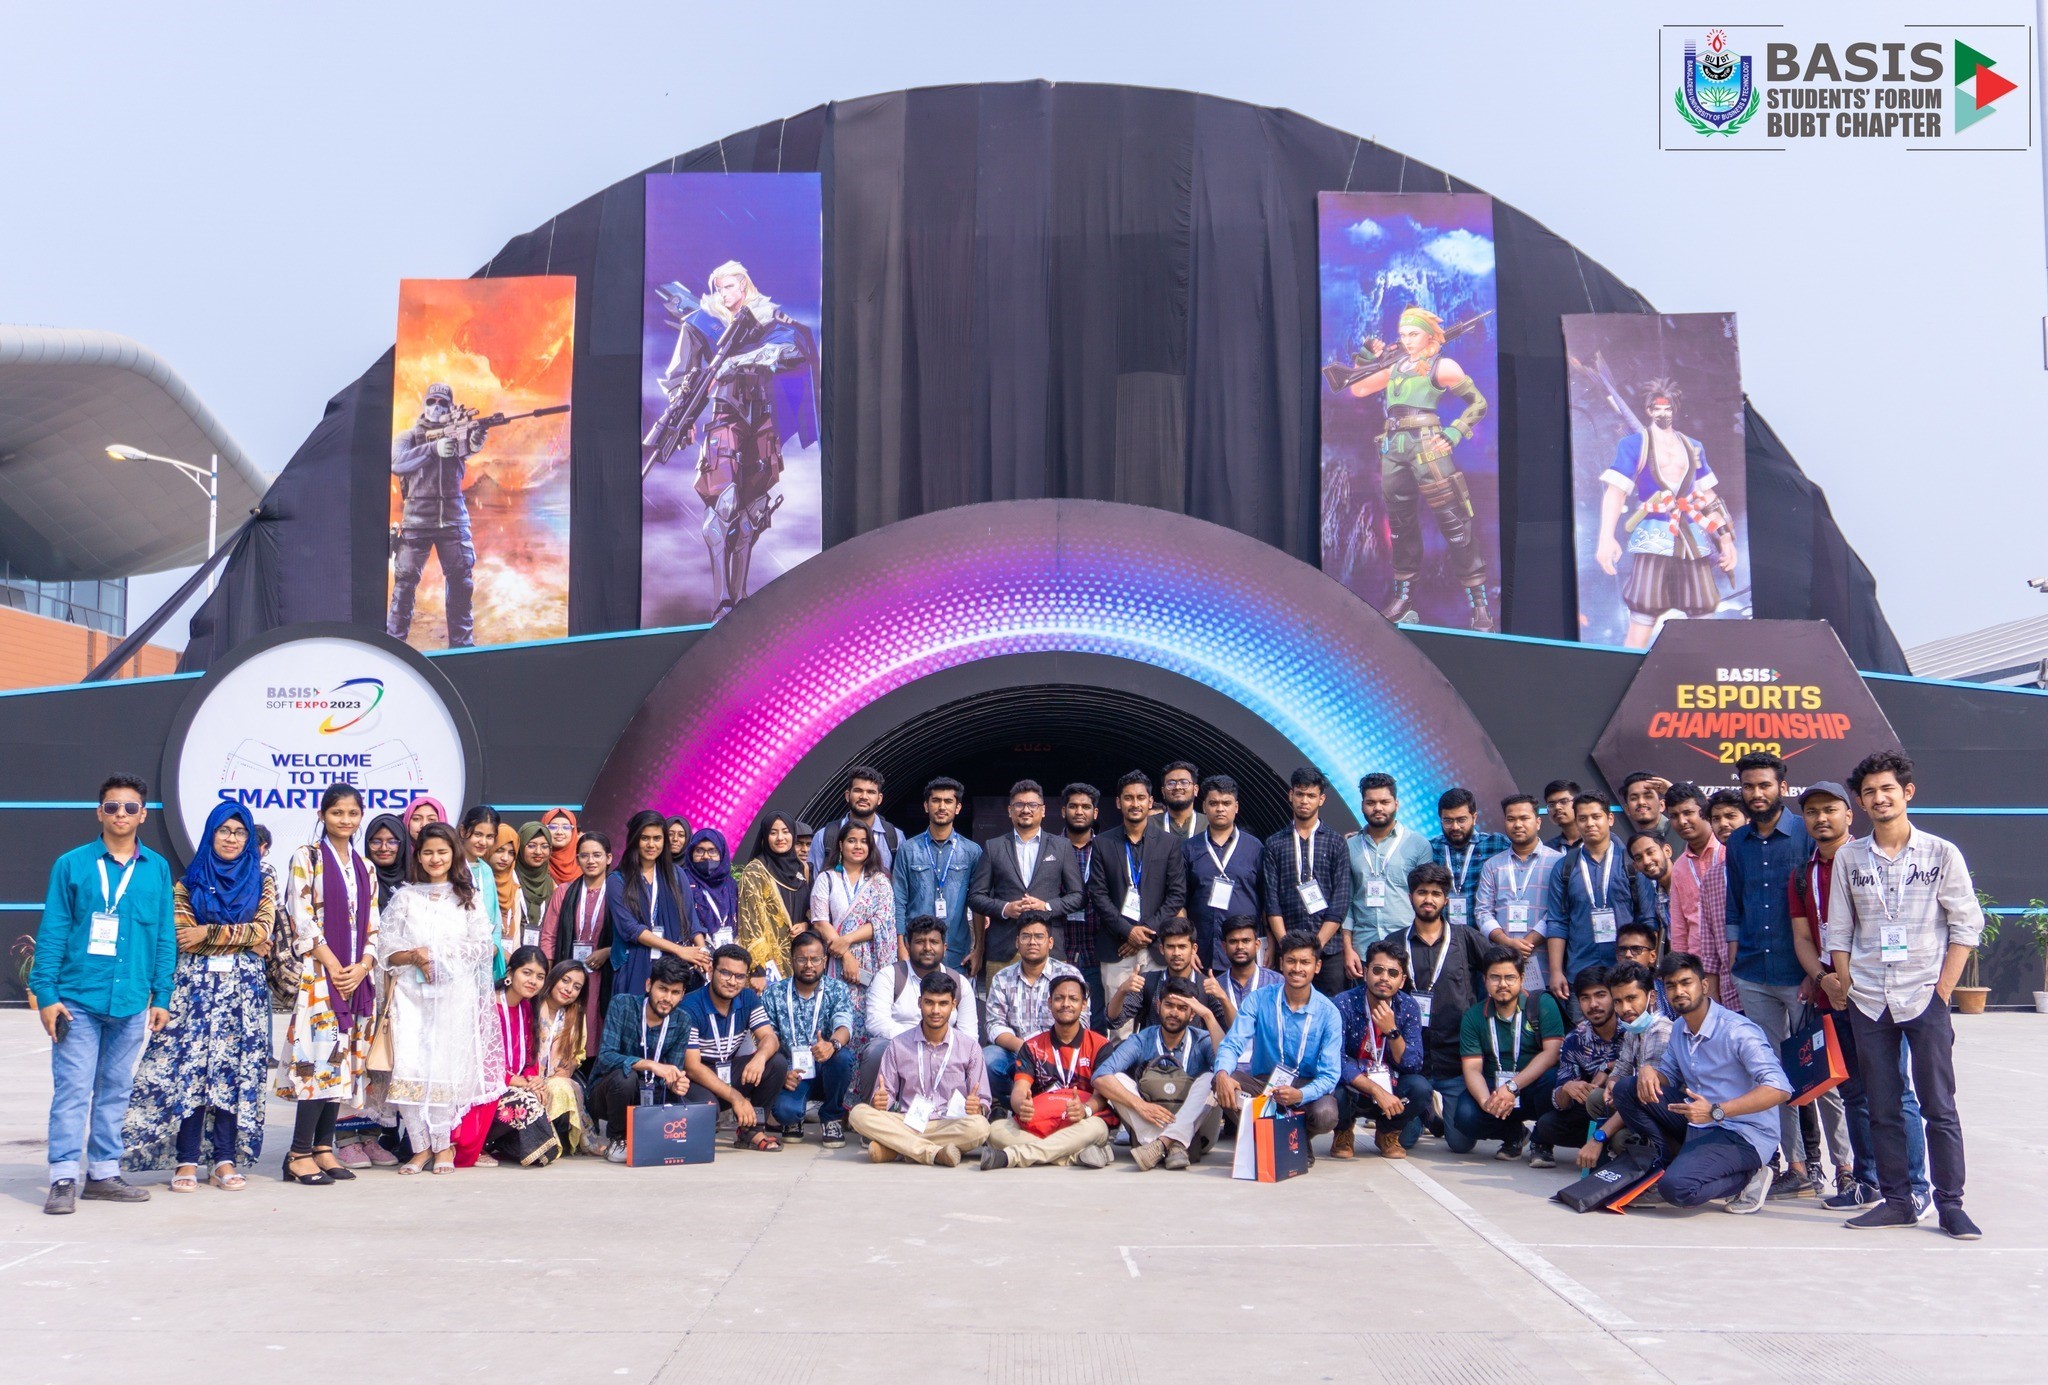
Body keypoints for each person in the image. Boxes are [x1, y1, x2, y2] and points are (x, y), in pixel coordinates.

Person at [1824, 750, 1983, 1239]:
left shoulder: (1941, 853)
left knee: (1939, 1106)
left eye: (1887, 789)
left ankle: (1951, 1204)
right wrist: (1847, 984)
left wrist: (1942, 991)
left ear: (1907, 792)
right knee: (1883, 1106)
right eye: (1869, 792)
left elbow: (1966, 925)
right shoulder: (1849, 857)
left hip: (1924, 994)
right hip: (1870, 999)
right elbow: (1839, 929)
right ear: (1860, 801)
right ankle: (1897, 1201)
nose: (1879, 798)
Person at [33, 775, 175, 1215]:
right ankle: (62, 1178)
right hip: (77, 999)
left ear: (143, 815)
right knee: (73, 1090)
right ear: (99, 812)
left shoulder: (156, 868)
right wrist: (46, 993)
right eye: (112, 807)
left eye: (130, 807)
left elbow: (164, 936)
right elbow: (53, 931)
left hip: (131, 1000)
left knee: (115, 1089)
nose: (121, 814)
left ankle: (102, 1174)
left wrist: (162, 995)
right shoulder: (71, 865)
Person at [1789, 781, 1929, 1214]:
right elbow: (1803, 937)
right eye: (1812, 811)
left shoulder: (1872, 862)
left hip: (1878, 997)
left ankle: (1916, 1186)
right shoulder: (1802, 874)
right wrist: (1824, 979)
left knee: (1897, 1091)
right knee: (1854, 1093)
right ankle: (1868, 1181)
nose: (1821, 818)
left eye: (1830, 809)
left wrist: (1853, 981)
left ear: (1850, 814)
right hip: (1833, 997)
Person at [119, 801, 272, 1195]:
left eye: (240, 832)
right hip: (195, 993)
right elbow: (184, 935)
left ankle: (224, 1159)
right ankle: (186, 1158)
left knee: (233, 1072)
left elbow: (263, 929)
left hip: (244, 995)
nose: (232, 839)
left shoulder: (263, 879)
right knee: (191, 1072)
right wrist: (240, 939)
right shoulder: (188, 883)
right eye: (224, 831)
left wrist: (210, 933)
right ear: (210, 834)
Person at [1340, 303, 1496, 631]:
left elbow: (1478, 403)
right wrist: (1366, 356)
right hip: (1394, 448)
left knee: (1455, 523)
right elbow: (1358, 387)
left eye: (1414, 334)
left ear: (1429, 336)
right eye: (1403, 335)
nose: (1407, 340)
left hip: (1428, 447)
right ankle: (1403, 600)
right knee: (1401, 527)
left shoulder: (1443, 366)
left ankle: (1479, 606)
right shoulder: (1396, 367)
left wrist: (1454, 433)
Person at [1615, 952, 1790, 1213]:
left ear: (1704, 985)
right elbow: (1667, 1076)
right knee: (1627, 1089)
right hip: (1699, 1121)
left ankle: (1750, 1177)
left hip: (1744, 1133)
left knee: (1678, 1189)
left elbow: (1780, 1088)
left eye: (1686, 982)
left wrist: (1716, 1110)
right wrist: (1648, 1071)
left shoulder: (1737, 1030)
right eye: (1671, 985)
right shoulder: (1679, 1028)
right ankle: (1665, 1165)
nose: (1679, 991)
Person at [378, 821, 502, 1175]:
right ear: (418, 856)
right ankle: (420, 1148)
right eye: (428, 852)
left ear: (454, 855)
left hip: (453, 997)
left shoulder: (468, 898)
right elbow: (386, 950)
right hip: (409, 998)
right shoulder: (405, 898)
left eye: (442, 852)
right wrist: (414, 955)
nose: (435, 859)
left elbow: (483, 946)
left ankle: (444, 1145)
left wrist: (439, 954)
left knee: (444, 1069)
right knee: (411, 1068)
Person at [275, 783, 380, 1188]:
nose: (345, 820)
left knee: (342, 1061)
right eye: (337, 812)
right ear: (322, 815)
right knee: (317, 1060)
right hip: (322, 976)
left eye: (352, 813)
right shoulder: (308, 857)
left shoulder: (365, 866)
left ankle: (322, 1148)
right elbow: (301, 916)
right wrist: (336, 966)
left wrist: (363, 966)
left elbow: (373, 923)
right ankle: (298, 1154)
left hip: (356, 977)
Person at [1723, 750, 1818, 1197]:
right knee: (1770, 1074)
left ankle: (1843, 1167)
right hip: (1753, 973)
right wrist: (1734, 960)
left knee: (1817, 1071)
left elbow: (1820, 907)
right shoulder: (1737, 842)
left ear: (1782, 787)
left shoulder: (1805, 833)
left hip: (1800, 975)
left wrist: (1816, 970)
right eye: (1748, 786)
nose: (1756, 793)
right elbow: (1735, 905)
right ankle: (1794, 1166)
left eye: (1764, 785)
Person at [1593, 378, 1740, 649]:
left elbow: (1709, 498)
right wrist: (1606, 538)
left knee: (1703, 609)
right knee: (1643, 611)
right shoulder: (1634, 445)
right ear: (1648, 410)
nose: (1663, 413)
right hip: (1654, 536)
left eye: (1667, 408)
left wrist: (1726, 538)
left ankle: (1700, 669)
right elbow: (1615, 493)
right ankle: (1626, 669)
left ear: (1675, 409)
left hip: (1692, 538)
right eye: (1657, 408)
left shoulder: (1693, 446)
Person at [1213, 931, 1344, 1152]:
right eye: (1291, 961)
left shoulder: (1329, 1013)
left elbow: (1330, 1075)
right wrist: (1223, 1073)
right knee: (1223, 1083)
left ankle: (1294, 1142)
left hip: (1306, 1086)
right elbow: (1232, 1043)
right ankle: (1279, 1144)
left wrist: (1300, 1095)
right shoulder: (1259, 999)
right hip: (1265, 1083)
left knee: (1326, 1114)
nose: (1297, 968)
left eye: (1305, 962)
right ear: (1281, 963)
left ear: (1317, 966)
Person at [848, 971, 991, 1166]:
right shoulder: (898, 1045)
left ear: (953, 1005)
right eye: (929, 1002)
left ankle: (897, 1148)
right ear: (919, 1003)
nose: (935, 1010)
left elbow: (982, 1101)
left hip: (950, 1124)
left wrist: (978, 1107)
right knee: (859, 1114)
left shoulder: (969, 1047)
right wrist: (880, 1101)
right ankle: (932, 1153)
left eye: (943, 1004)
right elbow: (885, 1093)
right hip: (908, 1122)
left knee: (980, 1127)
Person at [1399, 861, 1492, 1147]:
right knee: (1402, 1141)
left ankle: (1439, 1113)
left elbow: (1499, 968)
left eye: (1436, 893)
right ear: (1411, 896)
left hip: (1456, 1060)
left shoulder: (1466, 938)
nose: (1428, 899)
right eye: (1422, 892)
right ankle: (1425, 1109)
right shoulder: (1395, 942)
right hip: (1412, 1062)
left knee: (1461, 1144)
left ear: (1446, 899)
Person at [982, 974, 1116, 1170]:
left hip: (1082, 1122)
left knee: (1097, 1129)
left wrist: (1085, 1109)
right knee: (995, 1130)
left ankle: (1011, 1156)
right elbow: (1020, 1089)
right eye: (1059, 998)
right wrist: (1020, 1106)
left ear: (1084, 1005)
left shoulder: (1100, 1045)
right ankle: (1075, 1155)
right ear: (1050, 1003)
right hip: (1040, 1123)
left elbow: (1102, 1096)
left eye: (1073, 999)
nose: (1066, 1004)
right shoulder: (1032, 1046)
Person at [1084, 771, 1188, 1013]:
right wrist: (1128, 931)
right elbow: (1098, 894)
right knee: (1119, 1023)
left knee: (1160, 1017)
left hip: (1157, 949)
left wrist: (1145, 933)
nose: (1135, 803)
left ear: (1150, 801)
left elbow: (1176, 895)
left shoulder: (1169, 843)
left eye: (1141, 798)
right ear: (1118, 802)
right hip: (1117, 948)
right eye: (1128, 798)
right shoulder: (1102, 843)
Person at [386, 380, 480, 647]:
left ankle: (462, 650)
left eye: (443, 403)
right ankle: (394, 647)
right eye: (432, 402)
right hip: (417, 521)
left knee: (461, 584)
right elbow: (396, 463)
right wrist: (433, 449)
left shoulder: (458, 435)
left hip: (453, 521)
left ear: (450, 407)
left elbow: (470, 448)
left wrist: (475, 440)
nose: (436, 408)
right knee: (404, 586)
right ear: (424, 405)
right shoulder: (408, 437)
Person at [1094, 977, 1223, 1169]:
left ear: (1192, 1014)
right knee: (1117, 1079)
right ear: (1158, 1005)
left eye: (1182, 1008)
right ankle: (1174, 1147)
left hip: (1199, 1132)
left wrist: (1209, 1016)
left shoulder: (1201, 1039)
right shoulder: (1142, 1039)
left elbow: (1227, 1067)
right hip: (1152, 1121)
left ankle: (1161, 1144)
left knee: (1214, 1078)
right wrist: (1141, 1106)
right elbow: (1100, 1076)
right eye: (1169, 1005)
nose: (1174, 1013)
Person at [968, 779, 1084, 989]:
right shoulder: (994, 847)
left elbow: (1078, 896)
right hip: (1004, 948)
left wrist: (1046, 906)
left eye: (1032, 805)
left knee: (1054, 1006)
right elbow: (976, 897)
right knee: (1001, 1007)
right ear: (1010, 810)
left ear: (1043, 810)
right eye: (1019, 805)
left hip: (1049, 948)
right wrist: (1005, 908)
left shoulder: (1062, 846)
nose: (1026, 810)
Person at [1452, 946, 1565, 1160]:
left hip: (1531, 1086)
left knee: (1554, 1079)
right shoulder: (1474, 1016)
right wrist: (1486, 1102)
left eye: (1510, 977)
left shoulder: (1542, 1004)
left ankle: (1542, 1142)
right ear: (1485, 980)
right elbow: (1472, 1068)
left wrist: (1512, 1087)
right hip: (1495, 1088)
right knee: (1465, 1117)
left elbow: (1552, 1053)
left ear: (1522, 978)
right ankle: (1514, 1135)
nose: (1502, 984)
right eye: (1495, 977)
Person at [456, 946, 562, 1167]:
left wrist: (532, 1079)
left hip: (514, 1083)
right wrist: (514, 1081)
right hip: (483, 1088)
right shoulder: (486, 1005)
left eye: (540, 976)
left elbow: (530, 1056)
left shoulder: (527, 1007)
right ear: (510, 973)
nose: (533, 981)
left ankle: (499, 1143)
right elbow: (475, 1060)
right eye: (527, 973)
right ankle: (477, 1143)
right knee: (527, 1103)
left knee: (542, 1095)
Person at [812, 820, 901, 1078]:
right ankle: (837, 1088)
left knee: (871, 1023)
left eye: (863, 841)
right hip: (835, 965)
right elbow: (820, 921)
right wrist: (846, 955)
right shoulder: (827, 879)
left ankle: (869, 1086)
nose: (858, 846)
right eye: (852, 840)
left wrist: (846, 941)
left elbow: (883, 922)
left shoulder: (880, 881)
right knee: (837, 1021)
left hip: (872, 967)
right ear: (841, 845)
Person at [587, 954, 694, 1162]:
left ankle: (650, 1135)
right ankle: (618, 1139)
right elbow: (606, 1057)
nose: (667, 998)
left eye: (675, 992)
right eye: (662, 989)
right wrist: (650, 1065)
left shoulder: (683, 1020)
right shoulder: (623, 1004)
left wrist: (675, 1083)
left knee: (702, 1109)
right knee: (625, 1077)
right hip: (608, 1096)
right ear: (648, 985)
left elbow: (671, 1070)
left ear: (682, 995)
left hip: (649, 1097)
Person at [860, 915, 979, 1100]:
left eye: (934, 942)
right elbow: (876, 1022)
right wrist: (916, 1043)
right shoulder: (889, 976)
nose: (927, 948)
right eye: (920, 942)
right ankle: (875, 1108)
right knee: (876, 1051)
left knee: (971, 1054)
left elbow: (969, 1035)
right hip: (899, 1047)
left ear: (945, 947)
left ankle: (956, 1110)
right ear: (908, 946)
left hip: (945, 1050)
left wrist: (937, 1045)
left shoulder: (959, 983)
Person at [681, 944, 787, 1152]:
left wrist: (759, 1058)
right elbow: (692, 1067)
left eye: (739, 976)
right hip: (696, 1079)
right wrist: (735, 1097)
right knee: (707, 1115)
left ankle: (752, 1131)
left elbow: (770, 1038)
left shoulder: (747, 998)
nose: (732, 981)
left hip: (727, 1072)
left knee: (776, 1063)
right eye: (725, 973)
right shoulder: (690, 1006)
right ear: (711, 971)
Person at [1543, 793, 1643, 1014]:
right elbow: (1557, 922)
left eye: (1596, 817)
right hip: (1580, 974)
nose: (1589, 824)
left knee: (1630, 1031)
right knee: (1583, 1034)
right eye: (1583, 818)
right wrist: (1556, 971)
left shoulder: (1631, 863)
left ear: (1610, 819)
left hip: (1627, 974)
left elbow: (1646, 918)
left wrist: (1644, 969)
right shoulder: (1564, 867)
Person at [1331, 938, 1429, 1159]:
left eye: (1393, 973)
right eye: (1378, 970)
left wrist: (1392, 1031)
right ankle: (1343, 1131)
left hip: (1391, 1085)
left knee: (1420, 1088)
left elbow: (1413, 1065)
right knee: (1334, 1089)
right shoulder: (1343, 1003)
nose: (1384, 978)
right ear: (1366, 973)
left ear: (1402, 981)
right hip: (1355, 1087)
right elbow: (1336, 1060)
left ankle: (1387, 1132)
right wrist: (1376, 1090)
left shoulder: (1408, 1007)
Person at [1573, 960, 1673, 1170]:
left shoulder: (1660, 1031)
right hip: (1640, 1106)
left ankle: (1658, 1156)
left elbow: (1645, 1096)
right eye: (1618, 1001)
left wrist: (1599, 1138)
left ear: (1652, 997)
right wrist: (1613, 1081)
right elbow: (1621, 1069)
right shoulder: (1632, 1030)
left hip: (1662, 1112)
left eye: (1631, 998)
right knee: (1596, 1098)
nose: (1625, 1008)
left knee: (1621, 1139)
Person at [1260, 768, 1352, 995]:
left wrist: (1316, 947)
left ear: (1321, 799)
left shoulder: (1336, 842)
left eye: (1311, 795)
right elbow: (1271, 901)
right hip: (1288, 950)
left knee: (1331, 1008)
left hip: (1328, 950)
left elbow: (1340, 902)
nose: (1304, 801)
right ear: (1290, 795)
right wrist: (1286, 946)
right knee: (1286, 1008)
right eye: (1300, 794)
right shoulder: (1274, 843)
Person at [762, 930, 855, 1147]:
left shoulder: (837, 989)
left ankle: (831, 1117)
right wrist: (781, 1074)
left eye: (815, 959)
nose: (809, 965)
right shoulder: (774, 993)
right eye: (802, 959)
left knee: (843, 1057)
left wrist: (832, 1045)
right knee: (785, 1112)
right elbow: (767, 1037)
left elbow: (844, 1025)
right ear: (791, 960)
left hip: (826, 1068)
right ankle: (794, 1120)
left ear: (825, 960)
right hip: (792, 1072)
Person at [541, 831, 620, 1060]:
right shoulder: (564, 892)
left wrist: (608, 951)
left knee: (598, 1022)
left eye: (597, 855)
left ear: (609, 858)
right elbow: (549, 937)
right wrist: (549, 977)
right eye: (584, 856)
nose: (590, 861)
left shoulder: (619, 892)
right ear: (577, 859)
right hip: (569, 974)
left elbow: (630, 936)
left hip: (605, 974)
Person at [1529, 965, 1618, 1167]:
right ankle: (1598, 1147)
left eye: (1600, 995)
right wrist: (1568, 1088)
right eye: (1585, 998)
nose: (1593, 1004)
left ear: (1614, 995)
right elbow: (1560, 1102)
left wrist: (1606, 1068)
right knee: (1547, 1125)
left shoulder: (1630, 1027)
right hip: (1594, 1107)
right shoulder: (1575, 1039)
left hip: (1626, 1105)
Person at [892, 776, 983, 972]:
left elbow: (978, 904)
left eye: (948, 801)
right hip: (915, 948)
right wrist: (900, 945)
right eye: (936, 800)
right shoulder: (908, 849)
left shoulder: (972, 852)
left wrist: (979, 950)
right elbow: (898, 900)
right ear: (926, 806)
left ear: (958, 808)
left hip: (956, 951)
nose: (942, 806)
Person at [985, 918, 1088, 1089]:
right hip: (1016, 1050)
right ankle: (1014, 1099)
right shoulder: (1002, 978)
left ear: (1050, 942)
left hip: (1058, 1050)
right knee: (988, 1060)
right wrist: (1023, 1047)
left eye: (1039, 936)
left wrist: (1048, 1048)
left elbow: (1082, 1020)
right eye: (1026, 936)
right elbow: (994, 1024)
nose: (1032, 942)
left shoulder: (1069, 974)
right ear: (1017, 942)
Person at [1475, 794, 1561, 995]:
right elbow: (1482, 911)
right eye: (1511, 819)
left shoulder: (1558, 862)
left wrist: (1528, 942)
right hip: (1502, 968)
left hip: (1545, 964)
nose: (1517, 824)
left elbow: (1559, 911)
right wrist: (1507, 943)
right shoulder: (1492, 865)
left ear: (1538, 822)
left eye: (1524, 818)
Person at [1665, 783, 1740, 1010]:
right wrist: (1682, 972)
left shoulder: (1730, 850)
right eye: (1674, 816)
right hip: (1701, 970)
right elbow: (1679, 929)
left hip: (1738, 958)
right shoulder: (1679, 867)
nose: (1682, 821)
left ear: (1704, 811)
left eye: (1688, 812)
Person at [614, 809, 702, 1001]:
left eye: (657, 838)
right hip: (633, 964)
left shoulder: (677, 874)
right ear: (634, 840)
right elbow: (630, 929)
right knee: (633, 1016)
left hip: (672, 967)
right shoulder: (618, 879)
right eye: (645, 838)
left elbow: (690, 920)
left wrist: (701, 953)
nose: (651, 844)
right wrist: (679, 950)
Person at [1344, 772, 1431, 963]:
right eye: (1371, 802)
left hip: (1408, 948)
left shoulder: (1418, 844)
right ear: (1362, 805)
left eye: (1384, 802)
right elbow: (1346, 902)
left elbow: (1426, 899)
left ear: (1396, 804)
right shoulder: (1350, 846)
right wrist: (1348, 949)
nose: (1378, 808)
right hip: (1362, 950)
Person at [1182, 774, 1263, 972]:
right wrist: (1187, 945)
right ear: (1204, 807)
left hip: (1244, 951)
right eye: (1214, 803)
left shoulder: (1255, 848)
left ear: (1236, 807)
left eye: (1226, 803)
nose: (1220, 809)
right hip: (1201, 951)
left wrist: (1267, 943)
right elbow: (1179, 901)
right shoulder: (1189, 848)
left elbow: (1267, 901)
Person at [1109, 917, 1224, 1045]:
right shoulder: (1147, 981)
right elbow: (1114, 1020)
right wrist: (1122, 990)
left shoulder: (1206, 986)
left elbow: (1233, 1029)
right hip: (1152, 1054)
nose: (1176, 953)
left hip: (1195, 1055)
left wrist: (1223, 998)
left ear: (1194, 949)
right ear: (1161, 949)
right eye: (1170, 947)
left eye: (1182, 947)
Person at [736, 811, 807, 983]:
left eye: (785, 831)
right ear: (765, 836)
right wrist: (758, 968)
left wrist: (806, 925)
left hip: (803, 957)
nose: (780, 838)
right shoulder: (755, 871)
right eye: (773, 833)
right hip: (770, 964)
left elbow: (809, 909)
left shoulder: (802, 868)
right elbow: (750, 922)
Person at [534, 959, 595, 1155]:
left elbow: (578, 1054)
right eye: (565, 981)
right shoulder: (532, 1005)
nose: (569, 989)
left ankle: (556, 1141)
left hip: (557, 1076)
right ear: (553, 978)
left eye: (577, 987)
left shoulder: (575, 1015)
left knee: (561, 1087)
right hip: (527, 1077)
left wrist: (567, 1070)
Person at [1430, 786, 1510, 931]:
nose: (1455, 827)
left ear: (1474, 818)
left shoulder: (1496, 844)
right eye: (1448, 820)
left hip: (1484, 935)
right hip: (1442, 935)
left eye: (1461, 820)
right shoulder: (1431, 848)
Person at [1058, 782, 1106, 1017]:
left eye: (1085, 807)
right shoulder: (1049, 847)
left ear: (1095, 813)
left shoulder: (1107, 848)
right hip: (1059, 950)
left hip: (1098, 951)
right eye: (1073, 806)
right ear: (1063, 811)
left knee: (1097, 1021)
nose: (1079, 811)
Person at [808, 765, 902, 873]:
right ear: (847, 795)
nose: (864, 797)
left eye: (870, 792)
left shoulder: (895, 837)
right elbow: (814, 880)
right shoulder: (824, 836)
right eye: (858, 790)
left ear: (879, 799)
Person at [1206, 916, 1282, 1038]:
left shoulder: (1277, 982)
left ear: (1257, 945)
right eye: (1233, 941)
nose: (1240, 946)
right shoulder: (1216, 987)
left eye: (1246, 941)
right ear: (1224, 947)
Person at [682, 827, 741, 952]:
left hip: (730, 953)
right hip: (695, 954)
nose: (706, 856)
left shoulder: (731, 884)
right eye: (699, 850)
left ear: (722, 853)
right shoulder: (683, 881)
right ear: (691, 853)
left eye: (712, 851)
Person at [457, 806, 504, 946]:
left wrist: (495, 946)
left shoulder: (486, 870)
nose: (483, 842)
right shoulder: (451, 867)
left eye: (489, 836)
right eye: (478, 834)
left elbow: (495, 916)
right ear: (463, 831)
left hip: (485, 949)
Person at [513, 823, 555, 951]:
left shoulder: (552, 885)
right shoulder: (510, 880)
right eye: (531, 846)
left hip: (541, 956)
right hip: (510, 953)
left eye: (544, 846)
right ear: (520, 847)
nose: (538, 852)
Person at [1627, 831, 1675, 938]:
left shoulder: (1689, 883)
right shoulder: (1658, 897)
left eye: (1650, 852)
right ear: (1636, 866)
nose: (1646, 861)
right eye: (1639, 858)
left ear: (1667, 851)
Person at [489, 824, 524, 953]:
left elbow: (516, 932)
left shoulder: (514, 886)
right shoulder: (477, 882)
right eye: (499, 850)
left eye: (511, 853)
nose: (505, 858)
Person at [364, 815, 411, 911]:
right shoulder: (359, 881)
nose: (383, 848)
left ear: (403, 844)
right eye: (376, 842)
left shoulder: (418, 881)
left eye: (392, 842)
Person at [1151, 761, 1203, 840]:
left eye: (1184, 782)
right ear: (1163, 791)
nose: (1177, 787)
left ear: (1195, 790)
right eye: (1171, 783)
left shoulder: (1209, 824)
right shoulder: (1149, 824)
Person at [540, 808, 580, 885]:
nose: (559, 832)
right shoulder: (536, 860)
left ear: (573, 831)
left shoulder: (584, 860)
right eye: (553, 827)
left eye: (566, 827)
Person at [1542, 780, 1582, 851]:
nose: (1557, 807)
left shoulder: (1597, 841)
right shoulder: (1548, 850)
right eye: (1551, 805)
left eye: (1564, 802)